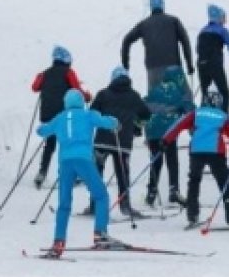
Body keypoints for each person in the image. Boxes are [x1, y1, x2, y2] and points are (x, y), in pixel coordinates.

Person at [38, 89, 122, 258]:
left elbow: (42, 131)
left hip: (65, 163)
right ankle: (100, 234)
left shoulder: (60, 118)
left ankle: (58, 242)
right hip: (83, 160)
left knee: (64, 204)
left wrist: (44, 128)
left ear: (66, 103)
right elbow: (106, 122)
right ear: (82, 102)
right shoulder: (88, 114)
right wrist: (114, 122)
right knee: (101, 196)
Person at [162, 86, 229, 229]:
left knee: (194, 181)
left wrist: (165, 140)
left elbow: (178, 125)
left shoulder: (197, 113)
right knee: (224, 183)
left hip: (196, 151)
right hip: (216, 152)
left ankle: (192, 214)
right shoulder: (222, 116)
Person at [89, 66, 151, 218]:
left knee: (97, 172)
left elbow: (92, 114)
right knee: (122, 173)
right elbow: (146, 115)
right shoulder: (134, 96)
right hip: (123, 141)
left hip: (102, 140)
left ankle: (95, 204)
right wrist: (136, 127)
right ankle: (125, 205)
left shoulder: (103, 94)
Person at [30, 46, 90, 188]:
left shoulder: (44, 74)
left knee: (50, 144)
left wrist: (41, 78)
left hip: (47, 115)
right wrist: (87, 96)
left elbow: (35, 87)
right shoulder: (68, 73)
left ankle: (42, 172)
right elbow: (77, 89)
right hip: (64, 115)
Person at [143, 65, 195, 208]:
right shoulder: (178, 92)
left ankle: (151, 192)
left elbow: (144, 105)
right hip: (168, 132)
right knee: (172, 160)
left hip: (152, 130)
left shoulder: (154, 90)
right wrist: (193, 129)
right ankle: (174, 190)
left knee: (156, 160)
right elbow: (190, 111)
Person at [120, 0, 195, 87]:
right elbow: (185, 41)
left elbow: (126, 40)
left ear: (151, 7)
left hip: (153, 69)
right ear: (163, 5)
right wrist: (189, 65)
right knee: (182, 94)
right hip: (173, 66)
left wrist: (125, 65)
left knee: (155, 95)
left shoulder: (144, 24)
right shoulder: (173, 21)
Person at [196, 4, 229, 104]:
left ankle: (203, 112)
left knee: (205, 93)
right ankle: (224, 113)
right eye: (224, 17)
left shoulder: (202, 31)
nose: (225, 20)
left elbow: (197, 49)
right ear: (219, 17)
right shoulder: (222, 30)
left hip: (201, 64)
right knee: (225, 93)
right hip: (215, 64)